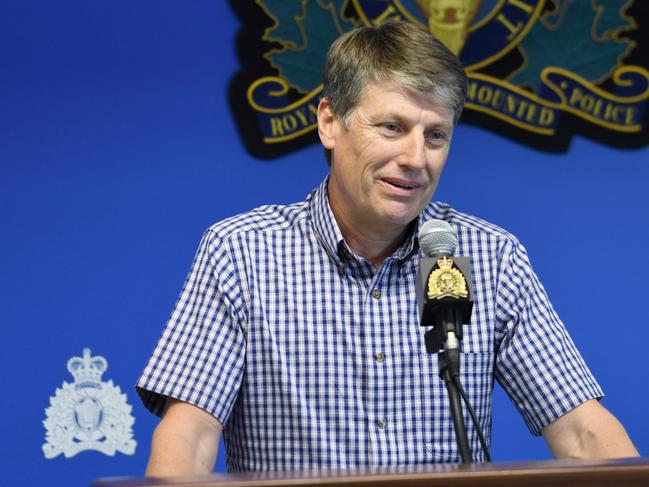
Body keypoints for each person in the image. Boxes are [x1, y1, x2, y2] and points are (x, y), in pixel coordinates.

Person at [137, 21, 638, 476]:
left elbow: (581, 431)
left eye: (436, 135)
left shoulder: (488, 257)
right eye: (392, 128)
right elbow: (191, 434)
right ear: (331, 122)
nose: (415, 158)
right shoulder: (243, 253)